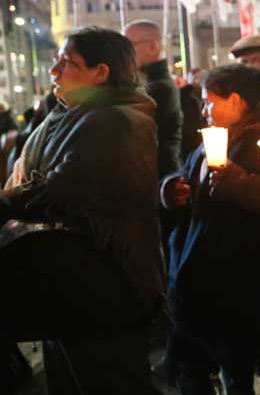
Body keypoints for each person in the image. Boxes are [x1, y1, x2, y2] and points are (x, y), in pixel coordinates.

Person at [0, 27, 164, 395]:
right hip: (68, 282)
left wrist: (6, 204)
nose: (55, 70)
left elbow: (59, 188)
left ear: (101, 72)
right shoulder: (66, 116)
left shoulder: (118, 120)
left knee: (109, 381)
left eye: (68, 62)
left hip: (107, 285)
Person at [161, 63, 260, 395]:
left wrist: (238, 183)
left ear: (235, 100)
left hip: (256, 278)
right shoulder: (215, 137)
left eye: (209, 101)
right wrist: (173, 189)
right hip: (212, 279)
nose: (204, 111)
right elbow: (188, 175)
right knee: (222, 364)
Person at [124, 19, 184, 178]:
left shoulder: (157, 88)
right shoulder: (147, 83)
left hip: (158, 176)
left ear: (153, 47)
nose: (124, 54)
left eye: (129, 46)